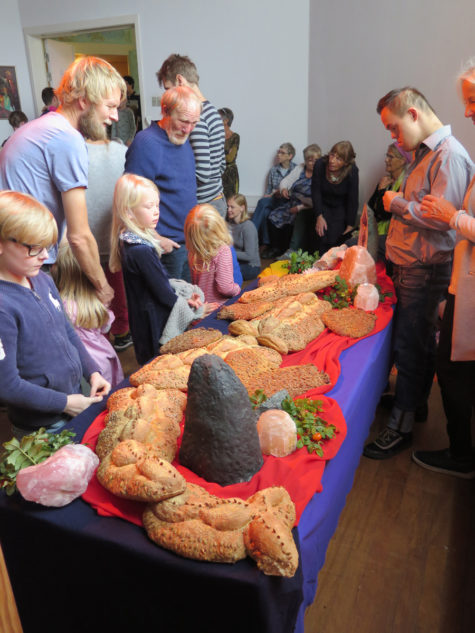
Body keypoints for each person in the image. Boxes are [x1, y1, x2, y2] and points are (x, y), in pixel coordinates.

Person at [363, 86, 474, 460]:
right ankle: (414, 404)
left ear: (413, 114)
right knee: (415, 345)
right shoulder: (424, 154)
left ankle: (401, 426)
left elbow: (445, 221)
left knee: (412, 347)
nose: (394, 138)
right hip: (411, 266)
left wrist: (397, 204)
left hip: (425, 269)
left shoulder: (449, 157)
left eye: (394, 128)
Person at [0, 56, 126, 307]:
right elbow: (79, 235)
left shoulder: (42, 126)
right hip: (23, 259)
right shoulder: (66, 138)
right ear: (84, 100)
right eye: (110, 106)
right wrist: (103, 287)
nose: (115, 117)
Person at [0, 190, 110, 439]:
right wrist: (64, 403)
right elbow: (7, 385)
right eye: (34, 248)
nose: (44, 256)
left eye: (47, 247)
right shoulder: (3, 308)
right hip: (42, 428)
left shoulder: (43, 280)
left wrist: (92, 371)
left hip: (74, 398)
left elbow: (68, 332)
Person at [412, 60, 475, 479]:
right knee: (453, 366)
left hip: (465, 285)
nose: (467, 112)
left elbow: (455, 219)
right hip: (462, 282)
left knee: (451, 368)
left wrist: (452, 215)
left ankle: (461, 454)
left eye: (472, 101)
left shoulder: (450, 155)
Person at [110, 174, 207, 366]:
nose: (156, 212)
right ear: (128, 211)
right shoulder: (141, 251)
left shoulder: (129, 240)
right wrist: (188, 305)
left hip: (143, 317)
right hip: (154, 322)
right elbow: (163, 293)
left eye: (157, 205)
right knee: (158, 364)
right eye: (148, 207)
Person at [125, 85, 201, 281]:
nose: (188, 129)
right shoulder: (146, 143)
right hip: (165, 247)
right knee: (170, 310)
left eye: (194, 123)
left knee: (188, 306)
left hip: (185, 244)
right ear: (165, 111)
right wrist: (157, 239)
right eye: (183, 121)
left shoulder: (183, 140)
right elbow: (129, 201)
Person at [157, 54, 226, 217]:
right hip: (216, 199)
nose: (167, 96)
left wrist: (168, 184)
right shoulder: (213, 111)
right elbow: (222, 164)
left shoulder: (194, 118)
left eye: (168, 89)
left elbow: (202, 173)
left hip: (203, 206)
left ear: (180, 81)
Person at [52, 240, 124, 388]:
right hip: (104, 357)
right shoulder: (98, 302)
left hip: (82, 363)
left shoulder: (60, 305)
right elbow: (105, 328)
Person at [85, 137, 132, 351]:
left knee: (89, 293)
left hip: (84, 238)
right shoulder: (123, 151)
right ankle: (120, 332)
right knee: (117, 287)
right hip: (113, 234)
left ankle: (99, 338)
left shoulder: (72, 151)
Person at [264, 144, 322, 258]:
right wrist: (284, 188)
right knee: (273, 216)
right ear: (305, 161)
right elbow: (286, 181)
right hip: (293, 202)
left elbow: (316, 201)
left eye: (316, 160)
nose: (313, 163)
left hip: (307, 207)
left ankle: (290, 251)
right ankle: (276, 248)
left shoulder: (320, 173)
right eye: (310, 160)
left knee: (293, 220)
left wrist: (299, 208)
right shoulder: (301, 168)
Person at [185, 204, 241, 306]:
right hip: (218, 309)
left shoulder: (194, 251)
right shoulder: (222, 250)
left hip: (201, 307)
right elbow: (225, 288)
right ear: (219, 225)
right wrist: (237, 289)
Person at [311, 141, 359, 256]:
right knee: (321, 234)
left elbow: (352, 199)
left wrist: (350, 225)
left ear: (346, 163)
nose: (332, 160)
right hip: (322, 203)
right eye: (332, 155)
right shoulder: (320, 164)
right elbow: (315, 191)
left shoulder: (352, 171)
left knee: (335, 239)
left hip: (339, 206)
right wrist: (319, 215)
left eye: (339, 159)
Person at [251, 143, 297, 247]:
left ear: (290, 156)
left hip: (289, 202)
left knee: (265, 207)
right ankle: (264, 243)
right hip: (275, 200)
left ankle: (253, 234)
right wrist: (270, 194)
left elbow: (297, 191)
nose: (278, 155)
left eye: (282, 153)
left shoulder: (296, 169)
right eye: (278, 152)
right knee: (264, 204)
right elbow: (268, 190)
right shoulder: (273, 170)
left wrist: (282, 191)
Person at [226, 194, 260, 280]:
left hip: (251, 267)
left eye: (232, 207)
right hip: (236, 261)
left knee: (223, 273)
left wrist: (227, 252)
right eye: (228, 206)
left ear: (242, 208)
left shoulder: (248, 227)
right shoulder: (229, 224)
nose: (229, 210)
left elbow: (249, 256)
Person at [219, 107, 240, 199]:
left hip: (230, 176)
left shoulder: (235, 137)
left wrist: (219, 152)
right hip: (218, 173)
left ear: (226, 121)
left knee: (230, 202)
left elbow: (230, 158)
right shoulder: (215, 135)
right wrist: (226, 151)